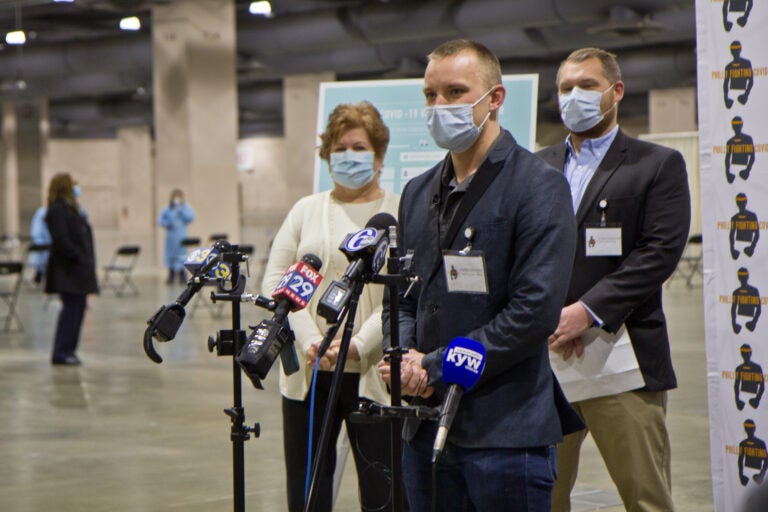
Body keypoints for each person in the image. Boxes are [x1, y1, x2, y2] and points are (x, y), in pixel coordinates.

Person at [377, 39, 580, 511]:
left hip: (504, 434)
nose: (439, 106)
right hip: (424, 428)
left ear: (495, 99)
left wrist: (434, 366)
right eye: (431, 95)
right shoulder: (416, 192)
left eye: (454, 92)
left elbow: (533, 312)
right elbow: (406, 296)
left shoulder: (537, 185)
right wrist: (405, 356)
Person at [536, 47, 691, 512]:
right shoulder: (537, 166)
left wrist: (586, 312)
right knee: (541, 494)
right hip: (547, 360)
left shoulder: (655, 164)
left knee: (645, 497)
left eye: (586, 85)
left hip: (622, 359)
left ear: (616, 91)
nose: (574, 96)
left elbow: (658, 252)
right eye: (566, 88)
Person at [261, 101, 400, 512]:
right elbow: (276, 281)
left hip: (374, 373)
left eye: (358, 147)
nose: (348, 156)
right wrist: (310, 340)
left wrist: (358, 343)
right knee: (307, 491)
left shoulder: (399, 210)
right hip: (309, 372)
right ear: (327, 155)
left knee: (383, 492)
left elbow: (403, 294)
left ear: (378, 156)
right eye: (340, 148)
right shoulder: (306, 209)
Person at [44, 173, 99, 365]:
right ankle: (61, 351)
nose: (77, 188)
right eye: (73, 185)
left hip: (78, 271)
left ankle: (70, 350)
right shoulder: (58, 210)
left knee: (79, 308)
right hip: (68, 271)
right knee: (70, 310)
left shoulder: (72, 209)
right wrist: (78, 257)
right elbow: (62, 240)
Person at [157, 189, 195, 284]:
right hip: (171, 237)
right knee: (171, 256)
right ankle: (171, 274)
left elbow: (191, 217)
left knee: (182, 256)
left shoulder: (185, 207)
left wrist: (181, 210)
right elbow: (160, 220)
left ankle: (182, 275)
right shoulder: (167, 208)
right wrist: (167, 223)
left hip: (181, 236)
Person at [28, 205, 51, 284]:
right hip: (44, 245)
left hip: (51, 247)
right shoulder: (42, 213)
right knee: (42, 264)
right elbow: (36, 231)